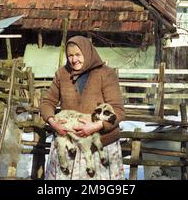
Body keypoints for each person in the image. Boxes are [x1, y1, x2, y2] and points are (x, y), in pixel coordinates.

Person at [40, 35, 125, 180]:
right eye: (70, 56)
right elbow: (47, 102)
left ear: (87, 52)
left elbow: (118, 111)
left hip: (99, 144)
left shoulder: (105, 74)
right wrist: (53, 122)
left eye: (78, 55)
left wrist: (96, 126)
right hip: (69, 142)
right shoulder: (62, 73)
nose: (74, 60)